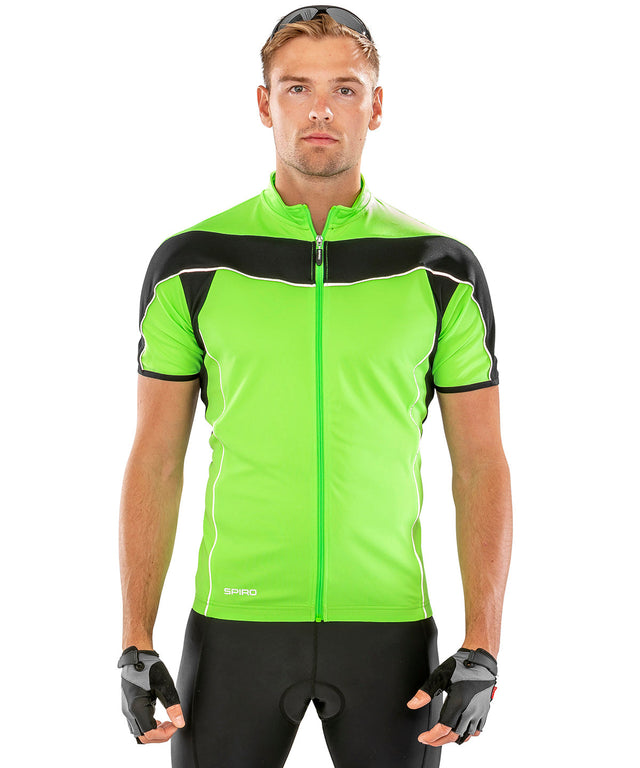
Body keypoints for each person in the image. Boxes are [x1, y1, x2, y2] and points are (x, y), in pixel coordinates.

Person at [118, 6, 513, 768]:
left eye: (345, 88)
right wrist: (135, 638)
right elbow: (156, 459)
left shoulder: (441, 269)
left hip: (389, 628)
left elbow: (481, 464)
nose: (321, 109)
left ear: (377, 104)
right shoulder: (192, 264)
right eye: (297, 88)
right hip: (234, 626)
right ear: (264, 103)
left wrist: (484, 644)